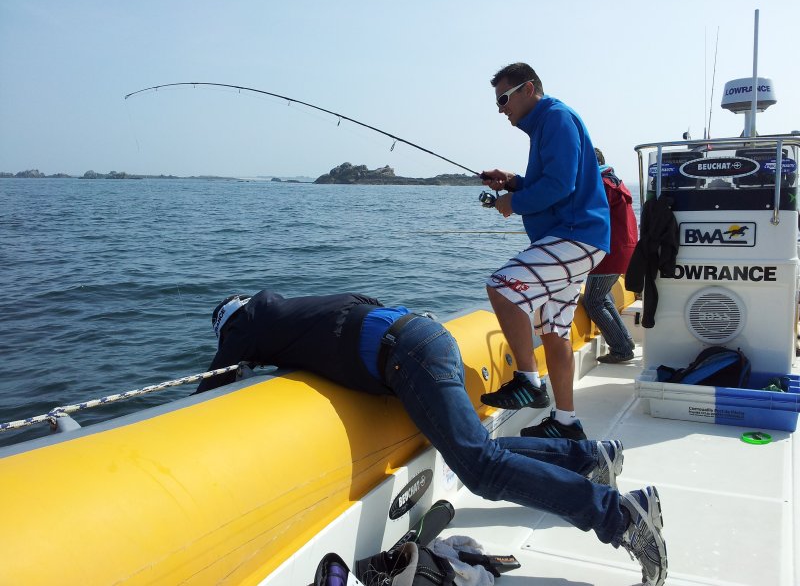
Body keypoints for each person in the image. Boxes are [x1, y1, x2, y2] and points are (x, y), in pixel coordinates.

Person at [196, 289, 667, 586]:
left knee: (481, 470)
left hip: (406, 358)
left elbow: (213, 382)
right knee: (474, 452)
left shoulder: (248, 322)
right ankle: (588, 457)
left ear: (228, 321)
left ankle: (618, 516)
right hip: (420, 338)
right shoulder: (296, 309)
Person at [479, 62, 610, 442]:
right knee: (554, 333)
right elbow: (548, 179)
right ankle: (566, 423)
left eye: (504, 98)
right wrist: (513, 181)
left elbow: (559, 185)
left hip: (575, 236)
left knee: (502, 286)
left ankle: (527, 381)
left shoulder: (555, 118)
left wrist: (512, 202)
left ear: (529, 89)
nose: (502, 108)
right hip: (575, 239)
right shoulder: (545, 126)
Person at [583, 148, 638, 363]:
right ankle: (625, 342)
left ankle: (621, 349)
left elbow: (593, 218)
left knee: (594, 301)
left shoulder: (601, 185)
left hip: (610, 252)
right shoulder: (614, 181)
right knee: (603, 297)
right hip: (624, 249)